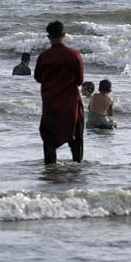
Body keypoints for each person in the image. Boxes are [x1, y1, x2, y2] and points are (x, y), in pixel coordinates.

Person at [34, 21, 84, 165]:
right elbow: (80, 80)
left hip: (50, 104)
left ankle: (50, 171)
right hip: (71, 104)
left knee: (49, 141)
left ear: (49, 36)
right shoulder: (74, 55)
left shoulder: (44, 56)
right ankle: (77, 168)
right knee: (76, 139)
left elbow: (38, 78)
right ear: (64, 35)